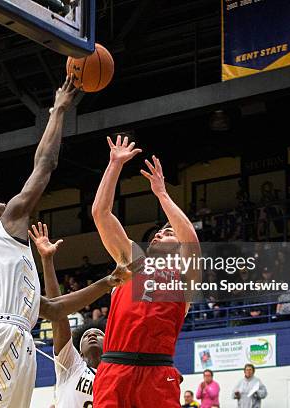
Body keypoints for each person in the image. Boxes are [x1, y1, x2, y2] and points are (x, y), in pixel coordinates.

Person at [0, 76, 135, 408]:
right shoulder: (5, 222)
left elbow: (52, 309)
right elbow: (45, 164)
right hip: (4, 336)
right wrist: (59, 109)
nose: (3, 203)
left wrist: (108, 281)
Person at [91, 137, 201, 408]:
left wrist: (162, 194)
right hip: (115, 368)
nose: (158, 235)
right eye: (157, 232)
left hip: (157, 373)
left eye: (167, 233)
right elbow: (100, 213)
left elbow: (191, 239)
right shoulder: (132, 260)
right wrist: (114, 165)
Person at [29, 222, 104, 408]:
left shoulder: (119, 372)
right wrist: (47, 260)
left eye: (98, 334)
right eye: (86, 335)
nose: (92, 335)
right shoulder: (72, 365)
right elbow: (58, 312)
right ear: (78, 351)